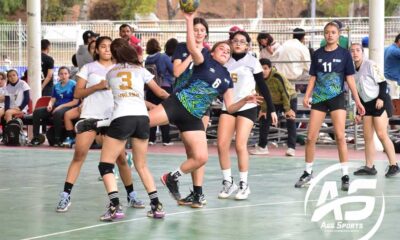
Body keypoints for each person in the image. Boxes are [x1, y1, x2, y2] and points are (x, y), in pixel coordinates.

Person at [153, 11, 262, 207]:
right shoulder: (200, 57)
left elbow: (230, 106)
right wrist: (188, 21)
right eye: (222, 49)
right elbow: (183, 62)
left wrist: (246, 99)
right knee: (140, 122)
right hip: (179, 102)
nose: (226, 52)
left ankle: (193, 190)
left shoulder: (226, 77)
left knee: (198, 156)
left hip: (197, 112)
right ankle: (103, 125)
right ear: (212, 52)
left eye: (228, 52)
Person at [56, 36, 144, 213]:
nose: (106, 49)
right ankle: (65, 195)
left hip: (113, 118)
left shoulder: (120, 68)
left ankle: (131, 195)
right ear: (96, 50)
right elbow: (78, 93)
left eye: (109, 47)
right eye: (102, 47)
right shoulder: (88, 68)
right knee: (79, 155)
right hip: (90, 116)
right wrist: (98, 86)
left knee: (120, 159)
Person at [95, 38, 169, 221]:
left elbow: (118, 96)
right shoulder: (140, 70)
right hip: (142, 118)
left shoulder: (111, 73)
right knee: (141, 165)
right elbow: (160, 93)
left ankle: (115, 206)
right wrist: (179, 103)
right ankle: (156, 205)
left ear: (114, 54)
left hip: (122, 118)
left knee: (105, 165)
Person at [294, 21, 365, 191]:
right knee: (311, 137)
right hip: (319, 98)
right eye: (327, 32)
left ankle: (345, 174)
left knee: (340, 136)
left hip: (336, 98)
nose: (330, 35)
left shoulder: (344, 54)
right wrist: (307, 95)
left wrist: (358, 101)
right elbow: (313, 77)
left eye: (333, 32)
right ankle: (308, 172)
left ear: (338, 35)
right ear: (324, 34)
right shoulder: (317, 54)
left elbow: (350, 80)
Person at [217, 30, 277, 200]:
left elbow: (263, 87)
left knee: (240, 144)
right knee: (222, 145)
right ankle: (228, 182)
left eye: (242, 41)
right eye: (235, 40)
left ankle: (244, 184)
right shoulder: (224, 61)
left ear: (248, 45)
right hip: (228, 106)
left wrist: (271, 108)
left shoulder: (253, 62)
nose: (238, 43)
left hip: (248, 106)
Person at [170, 16, 210, 206]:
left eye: (202, 30)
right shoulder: (181, 48)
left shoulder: (209, 52)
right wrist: (193, 53)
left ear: (206, 33)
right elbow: (177, 72)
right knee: (190, 152)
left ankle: (199, 193)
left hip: (200, 105)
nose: (199, 33)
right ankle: (196, 193)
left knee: (198, 151)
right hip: (181, 103)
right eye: (196, 30)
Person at [350, 43, 399, 177]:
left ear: (362, 52)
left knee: (382, 134)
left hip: (380, 101)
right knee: (367, 137)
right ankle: (370, 166)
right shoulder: (352, 71)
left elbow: (383, 83)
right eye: (352, 51)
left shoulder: (370, 64)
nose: (355, 53)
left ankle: (394, 165)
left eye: (357, 50)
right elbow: (358, 92)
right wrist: (358, 111)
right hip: (367, 105)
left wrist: (381, 98)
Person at [250, 58, 297, 156]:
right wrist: (263, 109)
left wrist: (287, 110)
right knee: (264, 118)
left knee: (290, 119)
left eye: (265, 68)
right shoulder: (258, 78)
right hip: (272, 101)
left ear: (270, 68)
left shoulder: (277, 77)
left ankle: (291, 148)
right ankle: (262, 147)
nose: (263, 71)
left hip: (289, 98)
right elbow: (260, 94)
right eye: (261, 68)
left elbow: (285, 93)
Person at [30, 67, 79, 146]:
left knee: (57, 113)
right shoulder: (56, 86)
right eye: (61, 74)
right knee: (37, 112)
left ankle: (57, 139)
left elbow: (75, 102)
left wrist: (60, 107)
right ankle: (36, 137)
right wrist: (50, 105)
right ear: (59, 75)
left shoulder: (73, 84)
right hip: (56, 107)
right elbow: (53, 99)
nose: (63, 76)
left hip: (69, 107)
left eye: (65, 74)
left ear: (69, 75)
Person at [144, 38, 174, 146]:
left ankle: (151, 139)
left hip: (151, 88)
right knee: (164, 112)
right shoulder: (163, 57)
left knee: (152, 112)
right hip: (163, 87)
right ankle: (166, 139)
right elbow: (173, 70)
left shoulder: (147, 59)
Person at [384, 33, 400, 99]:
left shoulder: (388, 48)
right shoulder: (396, 51)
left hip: (388, 78)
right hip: (393, 81)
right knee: (394, 102)